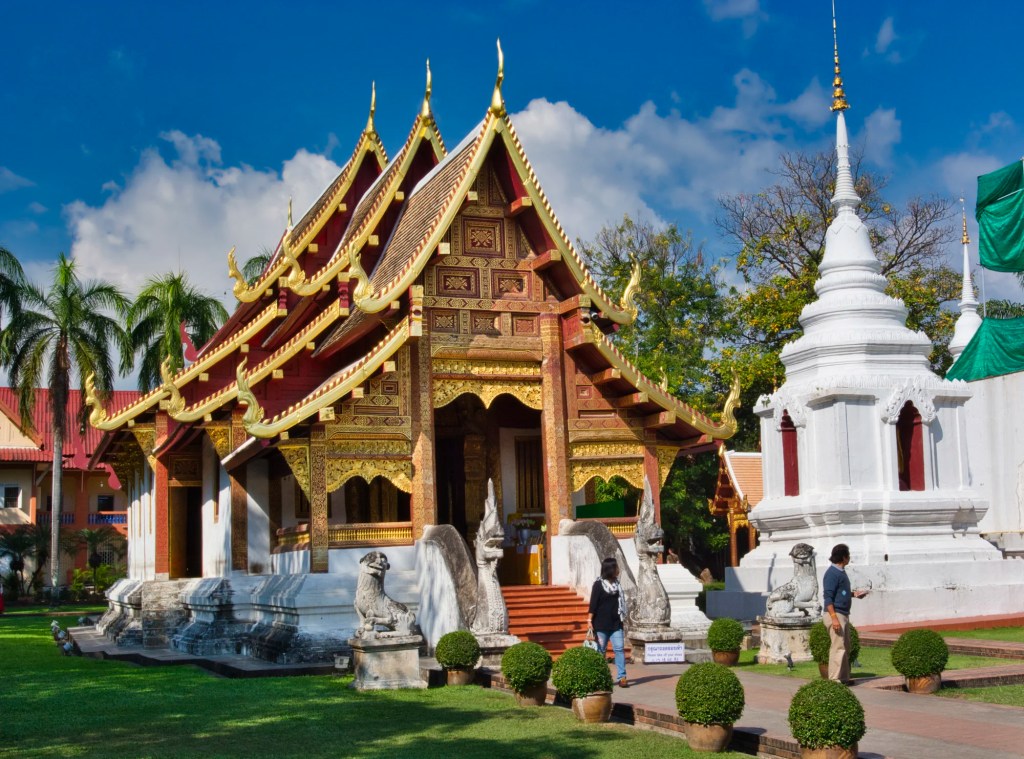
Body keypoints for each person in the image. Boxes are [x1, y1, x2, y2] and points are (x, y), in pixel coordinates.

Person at [822, 543, 867, 683]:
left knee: (845, 646)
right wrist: (834, 618)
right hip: (835, 614)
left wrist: (854, 594)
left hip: (843, 613)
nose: (849, 558)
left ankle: (844, 677)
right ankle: (835, 679)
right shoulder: (832, 573)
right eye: (848, 556)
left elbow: (841, 593)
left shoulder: (840, 572)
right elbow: (828, 597)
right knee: (838, 647)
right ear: (844, 557)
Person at [588, 557, 628, 688]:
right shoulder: (598, 585)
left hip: (616, 623)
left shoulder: (617, 585)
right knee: (601, 652)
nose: (618, 570)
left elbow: (620, 604)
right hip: (601, 624)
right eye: (616, 567)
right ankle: (601, 678)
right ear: (610, 569)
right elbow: (593, 604)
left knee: (619, 649)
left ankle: (622, 677)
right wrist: (589, 620)